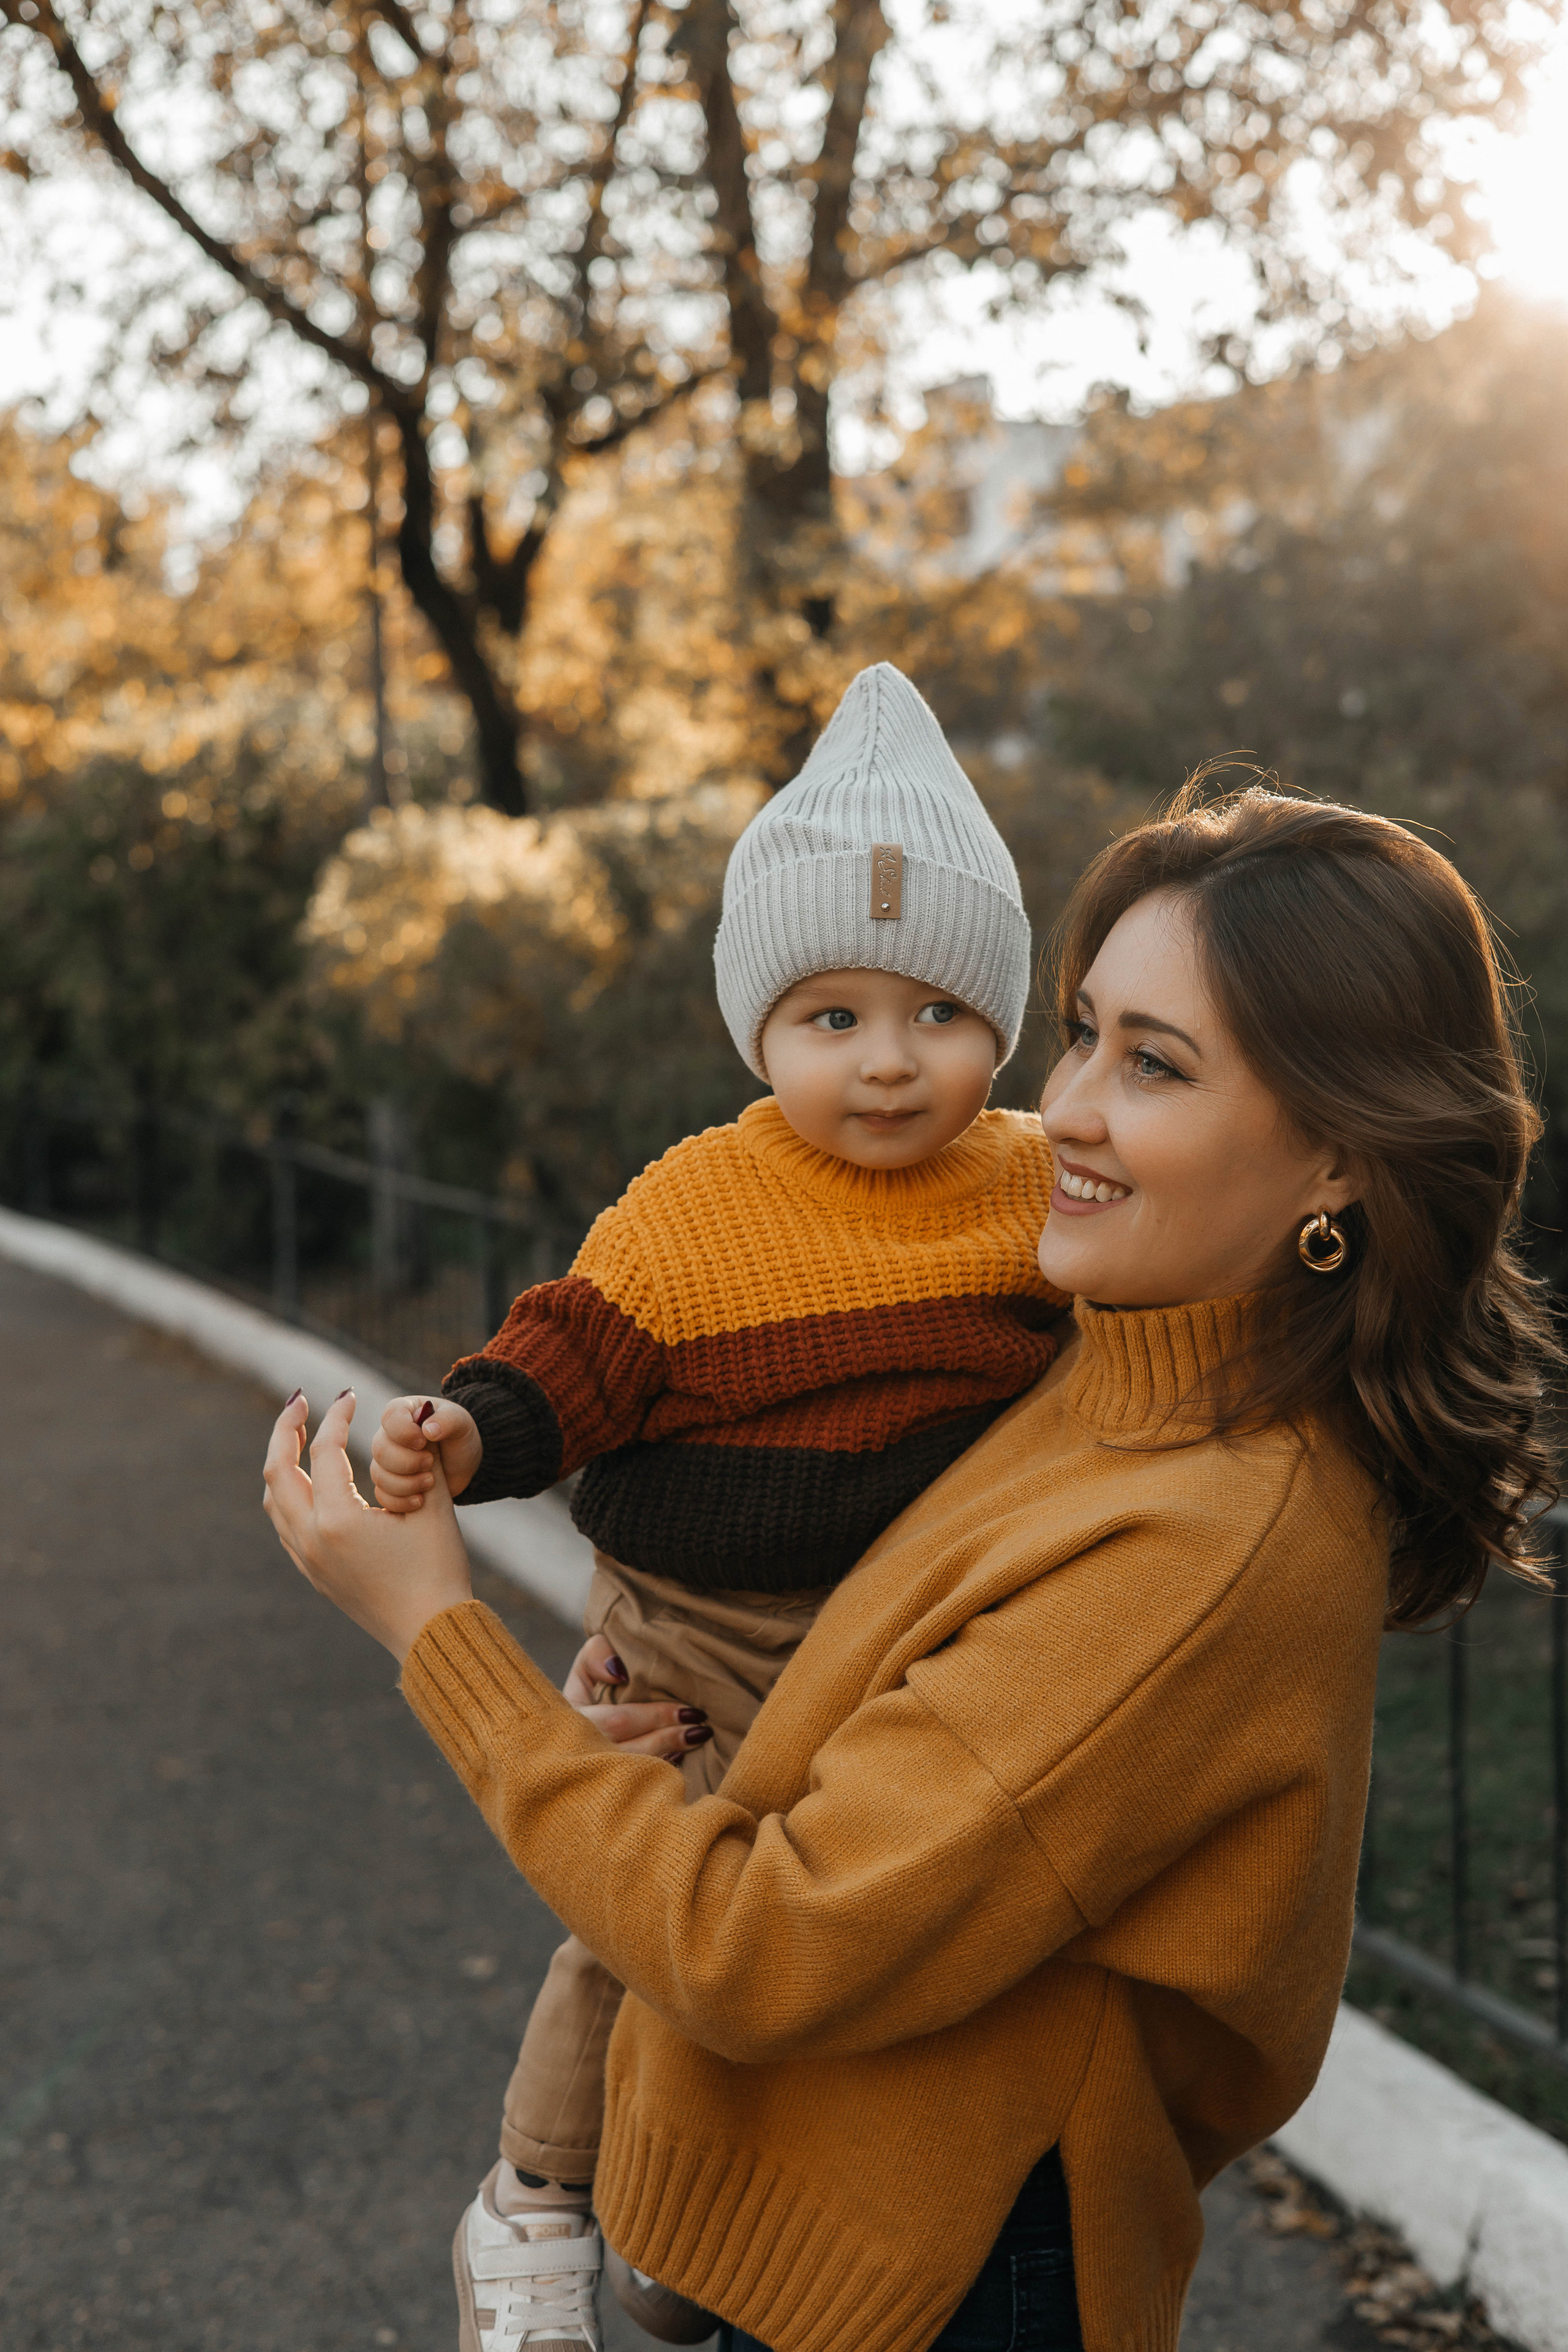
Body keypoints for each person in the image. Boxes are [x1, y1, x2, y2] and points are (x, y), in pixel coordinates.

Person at [264, 785, 1559, 2352]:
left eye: (1153, 1063)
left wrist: (434, 1633)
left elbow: (765, 1946)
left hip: (938, 2276)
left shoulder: (1209, 1542)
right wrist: (676, 1703)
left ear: (1338, 1159)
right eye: (1080, 1031)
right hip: (847, 2228)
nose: (1063, 1107)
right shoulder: (1090, 1358)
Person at [364, 662, 1069, 2344]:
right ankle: (538, 2197)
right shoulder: (703, 1199)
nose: (889, 1065)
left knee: (834, 1934)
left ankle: (698, 2195)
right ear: (760, 1026)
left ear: (1006, 1022)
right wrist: (470, 1437)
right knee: (652, 1922)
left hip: (900, 1656)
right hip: (702, 1636)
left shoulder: (1038, 1184)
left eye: (939, 1016)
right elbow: (582, 1354)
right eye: (834, 1019)